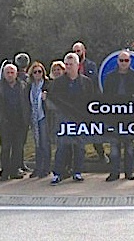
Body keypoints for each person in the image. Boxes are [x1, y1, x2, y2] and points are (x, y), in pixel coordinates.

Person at [48, 52, 96, 185]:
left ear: (78, 65)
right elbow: (54, 101)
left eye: (71, 64)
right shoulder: (58, 83)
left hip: (80, 119)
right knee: (62, 146)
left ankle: (77, 172)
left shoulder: (86, 82)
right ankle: (57, 173)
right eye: (66, 64)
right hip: (64, 119)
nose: (68, 67)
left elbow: (91, 101)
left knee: (80, 146)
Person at [103, 51, 134, 181]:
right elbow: (106, 97)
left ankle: (129, 172)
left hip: (130, 117)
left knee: (129, 147)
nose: (123, 63)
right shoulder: (110, 77)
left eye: (126, 61)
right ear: (117, 61)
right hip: (114, 117)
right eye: (121, 60)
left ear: (130, 61)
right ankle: (114, 172)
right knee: (114, 147)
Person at [0, 64, 30, 181]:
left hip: (20, 122)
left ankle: (14, 170)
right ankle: (4, 171)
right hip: (5, 123)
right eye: (7, 72)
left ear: (16, 73)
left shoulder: (23, 86)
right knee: (5, 148)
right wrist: (0, 119)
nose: (10, 75)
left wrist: (26, 119)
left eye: (12, 72)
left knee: (18, 147)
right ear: (3, 74)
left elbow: (27, 103)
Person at [72, 41, 108, 164]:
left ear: (84, 51)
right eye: (75, 51)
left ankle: (102, 155)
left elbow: (94, 83)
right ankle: (77, 161)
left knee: (94, 131)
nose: (77, 53)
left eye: (78, 51)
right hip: (75, 106)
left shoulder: (91, 65)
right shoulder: (70, 67)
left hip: (90, 103)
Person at [26, 61, 51, 178]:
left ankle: (46, 168)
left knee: (45, 143)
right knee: (37, 144)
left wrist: (47, 98)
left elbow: (52, 101)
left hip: (44, 117)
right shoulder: (29, 86)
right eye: (35, 72)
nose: (37, 74)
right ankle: (38, 167)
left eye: (39, 72)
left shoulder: (47, 85)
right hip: (34, 118)